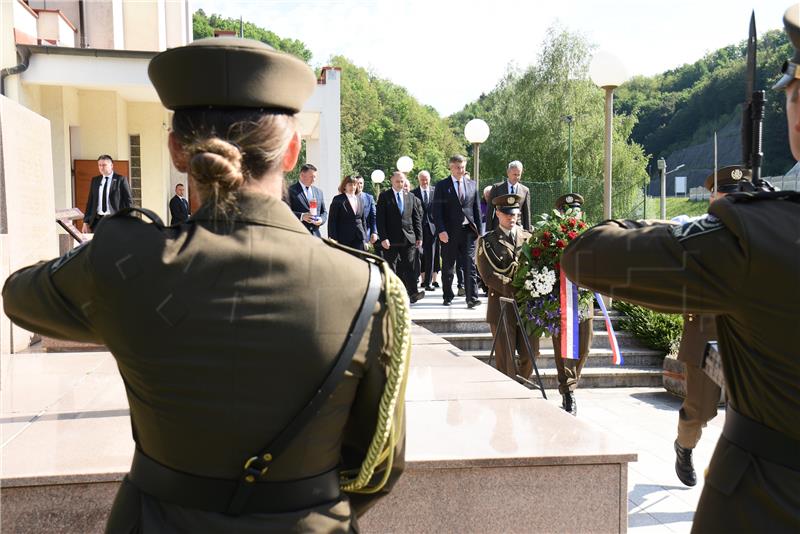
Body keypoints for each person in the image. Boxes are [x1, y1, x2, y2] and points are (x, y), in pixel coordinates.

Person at [3, 37, 409, 532]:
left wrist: (119, 268)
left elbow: (18, 297)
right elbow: (378, 467)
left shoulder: (126, 262)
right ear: (291, 152)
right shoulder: (368, 285)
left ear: (177, 149)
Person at [563, 9, 800, 527]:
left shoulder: (759, 238)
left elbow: (588, 254)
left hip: (767, 503)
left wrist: (717, 222)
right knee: (696, 411)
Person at [672, 166, 742, 487]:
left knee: (746, 413)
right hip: (707, 338)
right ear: (713, 198)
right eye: (725, 195)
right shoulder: (696, 233)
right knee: (700, 409)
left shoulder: (754, 234)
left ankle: (735, 473)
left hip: (744, 339)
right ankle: (684, 447)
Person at [476, 194, 534, 380]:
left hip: (527, 307)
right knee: (505, 359)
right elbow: (488, 276)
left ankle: (522, 383)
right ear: (498, 214)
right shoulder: (488, 241)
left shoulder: (529, 238)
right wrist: (516, 289)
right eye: (507, 214)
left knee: (531, 354)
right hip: (501, 303)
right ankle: (511, 396)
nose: (512, 218)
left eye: (515, 214)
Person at [548, 193, 593, 415]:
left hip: (584, 300)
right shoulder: (553, 237)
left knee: (584, 346)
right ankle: (568, 392)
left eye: (575, 211)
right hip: (561, 300)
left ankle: (572, 382)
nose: (572, 215)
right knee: (564, 347)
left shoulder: (590, 236)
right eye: (567, 212)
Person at [432, 154, 483, 308]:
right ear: (451, 168)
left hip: (468, 232)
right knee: (448, 266)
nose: (461, 170)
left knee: (470, 265)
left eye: (463, 167)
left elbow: (476, 209)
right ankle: (448, 295)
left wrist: (479, 232)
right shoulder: (442, 186)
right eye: (458, 168)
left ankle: (471, 298)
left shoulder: (472, 185)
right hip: (449, 233)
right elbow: (437, 211)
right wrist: (441, 230)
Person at [377, 172, 425, 303]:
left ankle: (413, 293)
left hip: (408, 237)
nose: (400, 184)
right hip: (390, 239)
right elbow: (380, 220)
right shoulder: (384, 196)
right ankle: (392, 294)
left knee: (410, 266)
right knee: (391, 267)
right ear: (392, 181)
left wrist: (419, 236)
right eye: (397, 181)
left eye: (402, 181)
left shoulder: (410, 196)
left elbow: (416, 218)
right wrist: (383, 238)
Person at [83, 154, 133, 232]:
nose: (101, 167)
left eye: (104, 165)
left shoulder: (120, 180)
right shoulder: (95, 180)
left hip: (115, 221)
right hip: (97, 221)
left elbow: (128, 202)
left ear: (111, 165)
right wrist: (85, 222)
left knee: (114, 243)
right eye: (99, 165)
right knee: (98, 244)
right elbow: (90, 202)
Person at [411, 171, 439, 291]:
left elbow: (439, 209)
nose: (424, 182)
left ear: (429, 179)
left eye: (426, 179)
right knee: (418, 255)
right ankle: (416, 280)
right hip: (418, 228)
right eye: (422, 179)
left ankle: (428, 283)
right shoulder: (413, 193)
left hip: (432, 228)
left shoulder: (436, 191)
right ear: (418, 180)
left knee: (431, 256)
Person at [487, 161, 531, 231]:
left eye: (518, 175)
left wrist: (528, 231)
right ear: (508, 173)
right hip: (499, 228)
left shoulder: (525, 190)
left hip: (517, 229)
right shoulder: (496, 188)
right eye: (514, 174)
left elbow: (526, 213)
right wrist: (488, 230)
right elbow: (490, 210)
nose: (516, 177)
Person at [328, 175, 368, 250]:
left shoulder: (360, 199)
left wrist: (365, 239)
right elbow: (332, 221)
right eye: (350, 185)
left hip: (358, 238)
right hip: (343, 238)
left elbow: (363, 221)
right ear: (344, 186)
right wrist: (333, 239)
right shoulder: (338, 199)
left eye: (354, 185)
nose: (352, 187)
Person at [288, 163, 327, 236]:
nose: (314, 180)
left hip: (316, 235)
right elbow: (285, 212)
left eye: (315, 177)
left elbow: (324, 212)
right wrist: (302, 216)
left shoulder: (319, 192)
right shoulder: (290, 191)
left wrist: (321, 220)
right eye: (311, 177)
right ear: (302, 175)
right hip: (298, 235)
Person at [355, 175, 378, 247]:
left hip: (365, 233)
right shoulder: (348, 198)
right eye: (357, 183)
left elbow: (374, 216)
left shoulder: (369, 198)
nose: (359, 185)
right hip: (351, 234)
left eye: (361, 183)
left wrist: (374, 232)